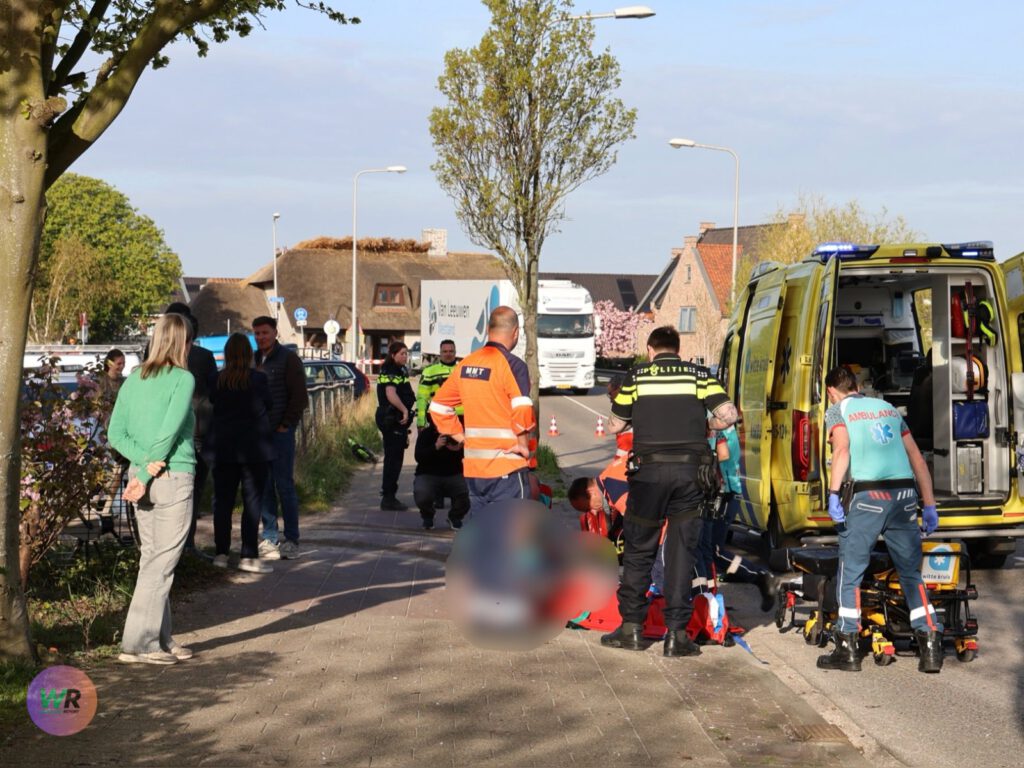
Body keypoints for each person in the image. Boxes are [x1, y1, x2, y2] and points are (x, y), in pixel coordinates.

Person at [601, 325, 737, 658]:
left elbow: (615, 426)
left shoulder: (636, 376)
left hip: (648, 475)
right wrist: (707, 426)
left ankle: (632, 628)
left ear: (651, 349)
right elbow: (729, 415)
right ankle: (677, 636)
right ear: (678, 349)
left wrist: (637, 418)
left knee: (639, 549)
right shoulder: (699, 375)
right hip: (691, 476)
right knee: (680, 553)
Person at [818, 365, 943, 673]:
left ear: (832, 392)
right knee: (911, 573)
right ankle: (930, 645)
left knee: (851, 572)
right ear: (856, 385)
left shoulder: (837, 412)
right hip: (903, 497)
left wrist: (834, 493)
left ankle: (846, 648)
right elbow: (916, 457)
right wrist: (929, 505)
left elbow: (843, 449)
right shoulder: (887, 408)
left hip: (868, 498)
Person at [107, 313, 196, 665]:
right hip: (171, 477)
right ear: (182, 342)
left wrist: (140, 466)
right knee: (162, 563)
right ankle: (139, 644)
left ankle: (161, 636)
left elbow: (116, 435)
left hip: (139, 479)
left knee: (152, 560)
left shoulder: (132, 380)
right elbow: (169, 432)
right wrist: (148, 469)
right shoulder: (183, 379)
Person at [429, 306, 536, 517]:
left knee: (483, 535)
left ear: (488, 329)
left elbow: (438, 407)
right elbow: (522, 408)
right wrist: (523, 445)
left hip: (474, 471)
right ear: (515, 333)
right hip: (507, 469)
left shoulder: (466, 364)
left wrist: (462, 437)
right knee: (512, 536)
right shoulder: (513, 365)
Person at [204, 333, 274, 574]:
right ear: (248, 354)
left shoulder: (216, 379)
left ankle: (221, 553)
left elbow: (213, 400)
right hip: (254, 449)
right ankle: (248, 554)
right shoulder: (258, 380)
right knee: (251, 502)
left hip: (223, 448)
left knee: (222, 502)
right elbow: (269, 405)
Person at [696, 425, 778, 612]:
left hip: (723, 492)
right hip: (723, 490)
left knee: (711, 550)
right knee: (709, 551)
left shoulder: (712, 419)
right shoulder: (717, 417)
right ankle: (710, 600)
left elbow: (722, 454)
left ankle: (760, 578)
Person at [164, 302, 218, 560]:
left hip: (164, 433)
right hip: (199, 431)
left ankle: (168, 547)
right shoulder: (204, 357)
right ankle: (187, 544)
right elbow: (215, 393)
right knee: (192, 491)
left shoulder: (153, 358)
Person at [253, 315, 309, 560]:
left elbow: (299, 397)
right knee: (264, 487)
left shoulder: (288, 359)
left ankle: (292, 539)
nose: (260, 337)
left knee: (284, 485)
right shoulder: (253, 360)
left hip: (280, 433)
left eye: (264, 332)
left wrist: (286, 424)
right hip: (259, 433)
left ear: (275, 333)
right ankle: (270, 537)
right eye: (256, 333)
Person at [376, 341, 417, 511]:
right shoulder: (392, 369)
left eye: (406, 353)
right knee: (393, 459)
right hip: (391, 417)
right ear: (393, 355)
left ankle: (389, 495)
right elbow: (390, 393)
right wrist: (404, 411)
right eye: (402, 353)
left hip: (393, 418)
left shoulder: (398, 369)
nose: (405, 356)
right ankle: (388, 497)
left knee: (395, 458)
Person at [413, 416, 470, 530]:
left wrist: (460, 448)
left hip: (454, 473)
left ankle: (455, 517)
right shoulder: (426, 434)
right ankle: (428, 515)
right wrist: (436, 446)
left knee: (466, 492)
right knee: (421, 492)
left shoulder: (458, 434)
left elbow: (471, 454)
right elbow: (419, 457)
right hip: (429, 474)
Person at [416, 339, 459, 428]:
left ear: (455, 352)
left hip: (460, 416)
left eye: (451, 351)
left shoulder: (463, 370)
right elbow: (422, 397)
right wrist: (421, 421)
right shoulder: (429, 371)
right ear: (440, 353)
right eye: (445, 351)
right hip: (437, 417)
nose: (448, 354)